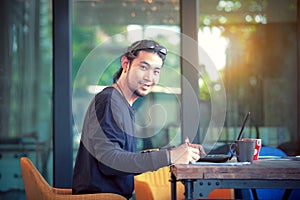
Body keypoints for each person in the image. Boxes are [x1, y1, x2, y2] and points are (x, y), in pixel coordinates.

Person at [72, 39, 205, 199]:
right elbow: (110, 161)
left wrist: (174, 151)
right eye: (143, 67)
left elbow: (121, 156)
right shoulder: (110, 101)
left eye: (156, 71)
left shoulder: (122, 105)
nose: (150, 77)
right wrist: (169, 157)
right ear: (126, 64)